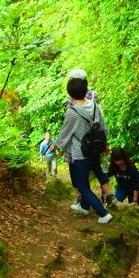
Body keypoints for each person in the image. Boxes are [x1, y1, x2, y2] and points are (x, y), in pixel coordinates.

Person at [51, 76, 113, 224]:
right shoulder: (95, 106)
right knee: (85, 181)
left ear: (70, 94)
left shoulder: (72, 112)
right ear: (86, 91)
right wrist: (105, 145)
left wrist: (54, 146)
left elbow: (64, 133)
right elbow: (104, 129)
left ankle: (103, 213)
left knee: (82, 185)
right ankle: (84, 207)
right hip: (95, 150)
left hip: (80, 154)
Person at [65, 68, 116, 208]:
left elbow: (71, 123)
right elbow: (99, 120)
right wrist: (105, 142)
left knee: (77, 171)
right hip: (95, 140)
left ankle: (81, 199)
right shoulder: (94, 94)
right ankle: (108, 195)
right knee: (98, 167)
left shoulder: (72, 98)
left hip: (79, 143)